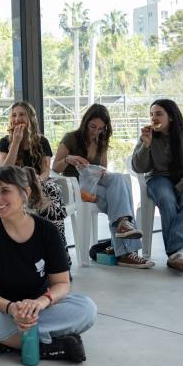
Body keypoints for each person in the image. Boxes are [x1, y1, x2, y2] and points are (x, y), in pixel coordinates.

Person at [0, 166, 97, 362]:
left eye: (5, 191)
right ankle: (45, 346)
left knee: (86, 308)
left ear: (25, 193)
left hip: (39, 309)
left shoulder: (47, 231)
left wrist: (39, 304)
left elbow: (62, 283)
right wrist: (11, 308)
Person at [53, 103, 154, 269]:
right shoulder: (71, 138)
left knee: (120, 178)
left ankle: (123, 228)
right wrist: (68, 159)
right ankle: (126, 251)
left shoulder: (102, 141)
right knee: (118, 200)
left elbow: (104, 169)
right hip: (77, 187)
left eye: (101, 128)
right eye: (93, 127)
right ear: (85, 122)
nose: (96, 132)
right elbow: (55, 168)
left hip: (95, 184)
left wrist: (99, 172)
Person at [131, 99, 183, 271]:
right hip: (159, 178)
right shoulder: (149, 136)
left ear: (172, 117)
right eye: (152, 114)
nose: (154, 118)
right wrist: (146, 145)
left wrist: (181, 186)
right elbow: (139, 167)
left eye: (159, 114)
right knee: (166, 199)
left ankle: (177, 252)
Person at [0, 101, 71, 268]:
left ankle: (58, 258)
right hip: (16, 188)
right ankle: (56, 261)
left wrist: (38, 181)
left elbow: (46, 171)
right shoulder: (4, 142)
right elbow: (4, 171)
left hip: (39, 184)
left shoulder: (42, 142)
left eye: (22, 114)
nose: (17, 118)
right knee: (43, 199)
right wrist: (15, 142)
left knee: (53, 189)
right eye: (14, 115)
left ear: (30, 118)